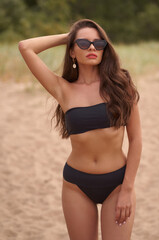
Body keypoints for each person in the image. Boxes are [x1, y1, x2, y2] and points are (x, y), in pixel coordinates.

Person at [18, 18, 142, 240]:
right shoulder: (62, 89)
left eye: (98, 43)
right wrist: (69, 36)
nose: (92, 47)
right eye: (83, 44)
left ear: (105, 49)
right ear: (72, 51)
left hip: (117, 183)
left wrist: (127, 189)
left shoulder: (122, 85)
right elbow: (26, 47)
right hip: (76, 185)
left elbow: (136, 140)